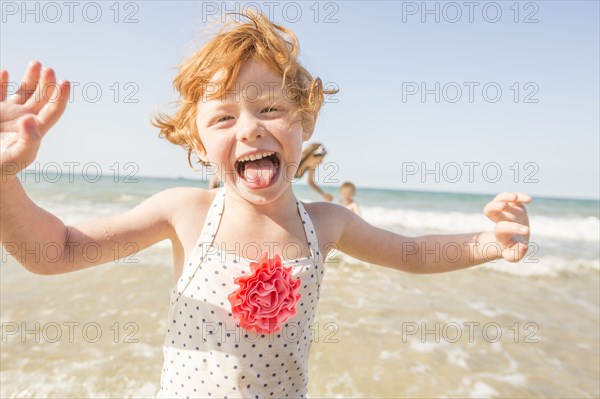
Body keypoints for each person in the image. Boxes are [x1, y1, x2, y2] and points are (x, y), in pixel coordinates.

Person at [0, 12, 531, 398]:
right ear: (197, 139)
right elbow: (57, 252)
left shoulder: (325, 224)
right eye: (224, 118)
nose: (251, 127)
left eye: (271, 107)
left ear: (307, 121)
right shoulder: (185, 212)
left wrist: (490, 242)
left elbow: (412, 254)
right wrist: (4, 179)